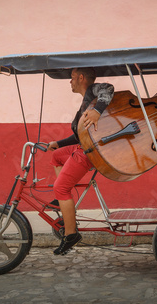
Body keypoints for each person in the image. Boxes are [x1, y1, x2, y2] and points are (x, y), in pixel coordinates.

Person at [48, 67, 114, 255]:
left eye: (72, 78)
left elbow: (108, 88)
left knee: (60, 188)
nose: (70, 82)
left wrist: (98, 112)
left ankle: (71, 234)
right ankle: (63, 199)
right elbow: (79, 135)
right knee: (56, 156)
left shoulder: (93, 92)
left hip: (89, 152)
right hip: (82, 146)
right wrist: (57, 143)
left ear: (81, 78)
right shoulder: (86, 102)